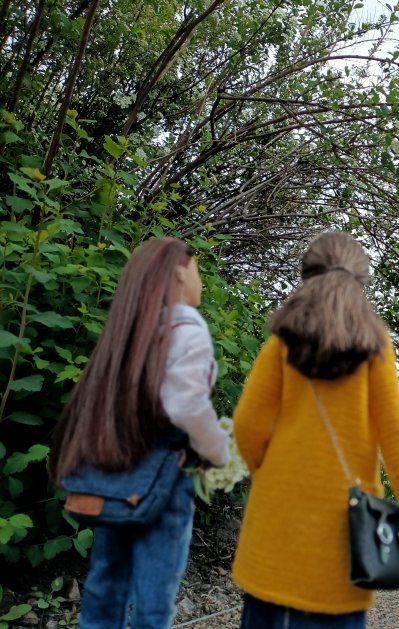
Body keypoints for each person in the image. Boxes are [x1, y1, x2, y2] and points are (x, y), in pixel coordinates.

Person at [232, 231, 399, 628]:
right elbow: (393, 435)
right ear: (360, 281)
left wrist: (271, 477)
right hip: (344, 543)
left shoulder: (281, 343)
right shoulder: (375, 346)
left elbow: (247, 427)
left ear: (307, 277)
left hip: (274, 539)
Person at [49, 237, 230, 629]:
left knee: (104, 584)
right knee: (155, 592)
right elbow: (186, 406)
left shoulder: (131, 332)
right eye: (198, 268)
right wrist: (218, 451)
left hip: (117, 470)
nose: (199, 279)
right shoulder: (189, 328)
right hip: (164, 477)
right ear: (181, 272)